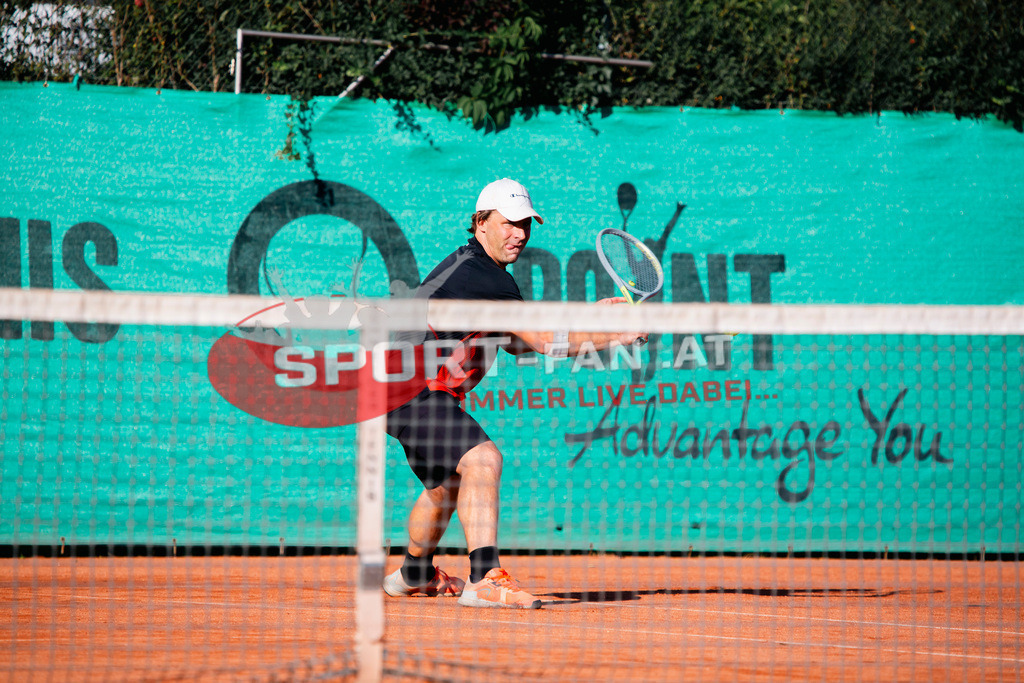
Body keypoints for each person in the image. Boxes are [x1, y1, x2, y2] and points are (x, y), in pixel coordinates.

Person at [382, 178, 645, 609]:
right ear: (481, 223)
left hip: (398, 387)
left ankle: (413, 573)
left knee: (446, 486)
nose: (519, 234)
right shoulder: (480, 274)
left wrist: (593, 323)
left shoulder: (480, 271)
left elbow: (518, 343)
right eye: (509, 223)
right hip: (411, 386)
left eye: (526, 224)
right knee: (483, 459)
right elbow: (543, 341)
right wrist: (613, 332)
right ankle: (485, 578)